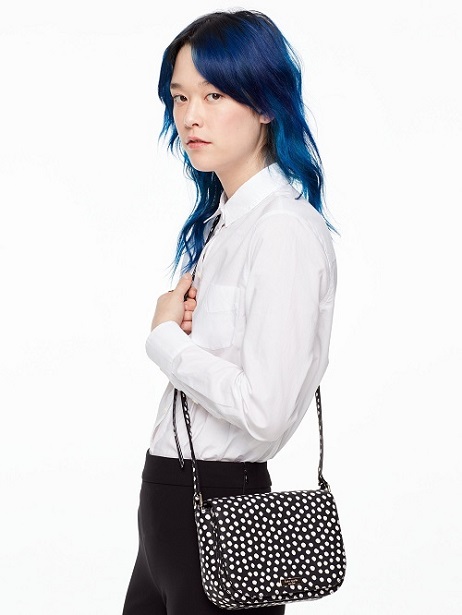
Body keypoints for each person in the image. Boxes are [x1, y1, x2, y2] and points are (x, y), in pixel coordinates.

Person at [122, 9, 337, 615]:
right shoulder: (226, 223)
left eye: (214, 95)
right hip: (169, 506)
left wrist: (167, 340)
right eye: (180, 97)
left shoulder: (282, 230)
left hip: (222, 507)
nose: (191, 116)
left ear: (265, 103)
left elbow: (265, 411)